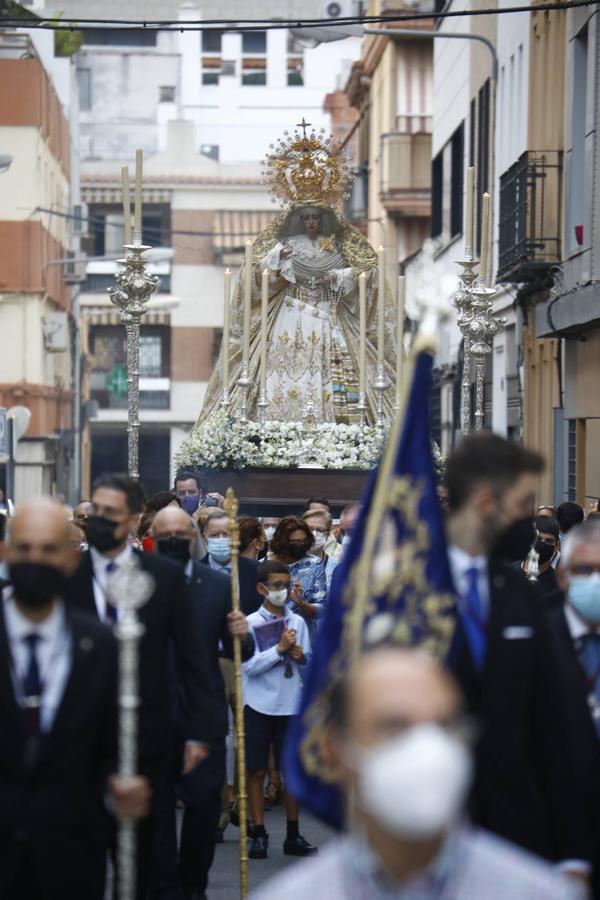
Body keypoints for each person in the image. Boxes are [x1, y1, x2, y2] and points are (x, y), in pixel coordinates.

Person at [251, 647, 584, 900]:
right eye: (394, 727)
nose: (426, 750)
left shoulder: (540, 892)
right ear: (335, 751)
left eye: (444, 726)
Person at [445, 433, 592, 878]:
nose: (530, 521)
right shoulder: (404, 595)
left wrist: (572, 854)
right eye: (524, 504)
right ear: (488, 501)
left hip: (517, 844)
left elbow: (560, 731)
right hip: (425, 843)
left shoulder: (524, 598)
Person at [64, 473, 212, 899]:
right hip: (80, 740)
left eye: (111, 513)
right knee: (82, 854)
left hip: (149, 737)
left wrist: (199, 730)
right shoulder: (68, 576)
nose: (99, 520)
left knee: (152, 856)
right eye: (95, 511)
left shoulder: (162, 576)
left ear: (133, 519)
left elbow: (192, 658)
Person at [0, 499, 150, 900]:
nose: (36, 559)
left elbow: (110, 743)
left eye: (49, 549)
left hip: (71, 850)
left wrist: (120, 785)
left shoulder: (100, 645)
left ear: (70, 558)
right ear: (5, 552)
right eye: (25, 548)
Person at [152, 506, 254, 900]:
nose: (174, 540)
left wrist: (240, 634)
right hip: (154, 708)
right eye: (166, 535)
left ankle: (193, 884)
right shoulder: (139, 581)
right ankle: (163, 887)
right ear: (154, 539)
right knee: (156, 806)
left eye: (181, 533)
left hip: (203, 708)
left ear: (193, 536)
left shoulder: (216, 585)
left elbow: (239, 652)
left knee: (203, 801)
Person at [541, 518, 600, 898]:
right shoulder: (528, 640)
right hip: (551, 843)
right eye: (584, 570)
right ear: (562, 576)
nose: (594, 582)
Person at [243, 560, 316, 860]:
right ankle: (259, 832)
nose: (281, 591)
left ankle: (293, 832)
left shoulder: (296, 622)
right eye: (275, 586)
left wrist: (299, 655)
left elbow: (308, 661)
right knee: (256, 769)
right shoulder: (249, 622)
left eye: (285, 586)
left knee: (290, 771)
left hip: (290, 704)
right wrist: (279, 651)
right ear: (262, 588)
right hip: (259, 703)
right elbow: (249, 666)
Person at [270, 516, 327, 633]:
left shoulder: (314, 564)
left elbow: (321, 610)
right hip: (272, 635)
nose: (301, 545)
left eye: (304, 541)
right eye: (295, 542)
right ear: (283, 542)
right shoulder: (264, 565)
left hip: (303, 635)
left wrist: (301, 603)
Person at [200, 508, 262, 615]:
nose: (221, 539)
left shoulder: (257, 571)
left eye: (226, 535)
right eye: (214, 535)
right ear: (205, 537)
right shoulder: (194, 572)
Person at [518, 515, 560, 596]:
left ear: (556, 546)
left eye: (548, 541)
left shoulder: (558, 584)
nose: (542, 544)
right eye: (538, 539)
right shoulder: (509, 575)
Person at [303, 508, 340, 592]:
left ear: (328, 533)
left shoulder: (335, 565)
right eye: (309, 529)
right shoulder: (290, 562)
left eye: (320, 530)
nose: (314, 534)